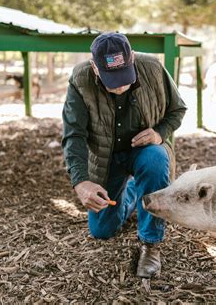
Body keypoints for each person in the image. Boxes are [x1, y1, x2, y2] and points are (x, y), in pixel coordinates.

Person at [61, 32, 187, 278]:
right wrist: (81, 182)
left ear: (131, 59)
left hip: (145, 151)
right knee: (101, 231)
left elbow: (177, 109)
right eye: (111, 79)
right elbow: (74, 135)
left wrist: (160, 133)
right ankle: (133, 192)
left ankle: (151, 244)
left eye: (124, 77)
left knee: (155, 160)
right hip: (106, 159)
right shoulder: (80, 78)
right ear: (95, 68)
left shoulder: (151, 67)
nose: (119, 86)